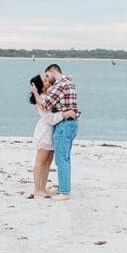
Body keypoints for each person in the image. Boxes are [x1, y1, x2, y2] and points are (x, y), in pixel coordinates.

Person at [28, 75, 76, 199]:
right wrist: (65, 114)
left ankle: (43, 188)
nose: (47, 81)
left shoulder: (47, 95)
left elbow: (58, 85)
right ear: (40, 87)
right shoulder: (42, 99)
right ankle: (37, 188)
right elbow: (50, 119)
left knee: (48, 161)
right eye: (44, 81)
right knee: (40, 161)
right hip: (45, 132)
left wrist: (67, 78)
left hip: (51, 131)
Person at [39, 64, 81, 200]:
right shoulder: (68, 82)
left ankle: (64, 192)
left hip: (64, 125)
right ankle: (64, 186)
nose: (46, 79)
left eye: (47, 75)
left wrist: (35, 92)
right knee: (66, 158)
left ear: (53, 72)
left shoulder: (59, 85)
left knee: (61, 159)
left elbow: (45, 105)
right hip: (72, 124)